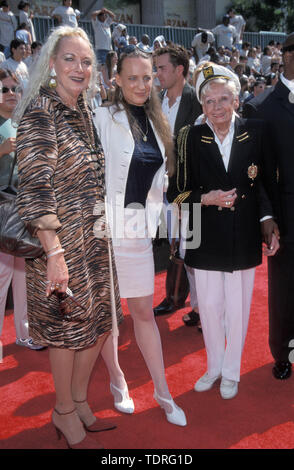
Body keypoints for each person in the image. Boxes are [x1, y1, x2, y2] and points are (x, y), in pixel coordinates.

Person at [14, 26, 124, 449]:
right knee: (66, 331)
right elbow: (36, 188)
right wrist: (55, 254)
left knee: (98, 326)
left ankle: (78, 401)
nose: (78, 68)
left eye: (85, 61)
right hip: (59, 246)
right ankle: (61, 409)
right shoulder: (41, 111)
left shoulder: (81, 108)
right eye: (69, 59)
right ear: (51, 63)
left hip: (94, 242)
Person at [167, 62, 279, 399]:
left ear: (236, 101)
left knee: (238, 308)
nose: (217, 107)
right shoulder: (189, 136)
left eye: (223, 99)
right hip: (205, 233)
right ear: (202, 105)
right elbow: (176, 193)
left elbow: (263, 184)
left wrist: (268, 221)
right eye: (210, 101)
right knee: (211, 307)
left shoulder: (255, 132)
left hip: (243, 233)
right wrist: (207, 198)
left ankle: (231, 372)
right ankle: (213, 366)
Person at [93, 48, 187, 427]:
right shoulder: (102, 117)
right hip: (103, 231)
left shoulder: (157, 121)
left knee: (144, 314)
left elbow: (158, 186)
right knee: (108, 318)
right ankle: (118, 380)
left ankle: (164, 394)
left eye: (146, 77)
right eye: (131, 77)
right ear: (116, 79)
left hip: (137, 233)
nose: (140, 84)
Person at [243, 32, 294, 380]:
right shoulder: (259, 107)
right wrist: (266, 215)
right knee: (285, 291)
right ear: (288, 55)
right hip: (285, 217)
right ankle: (283, 352)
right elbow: (255, 173)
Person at [153, 45, 202, 327]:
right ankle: (178, 298)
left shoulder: (196, 101)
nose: (157, 74)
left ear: (179, 70)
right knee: (176, 246)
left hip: (187, 188)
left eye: (162, 68)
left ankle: (195, 306)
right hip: (159, 187)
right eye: (156, 68)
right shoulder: (157, 100)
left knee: (190, 248)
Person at [0, 69, 43, 351]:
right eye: (5, 89)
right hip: (1, 208)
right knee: (1, 278)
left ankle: (24, 333)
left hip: (21, 206)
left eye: (15, 88)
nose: (12, 93)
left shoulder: (19, 123)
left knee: (22, 275)